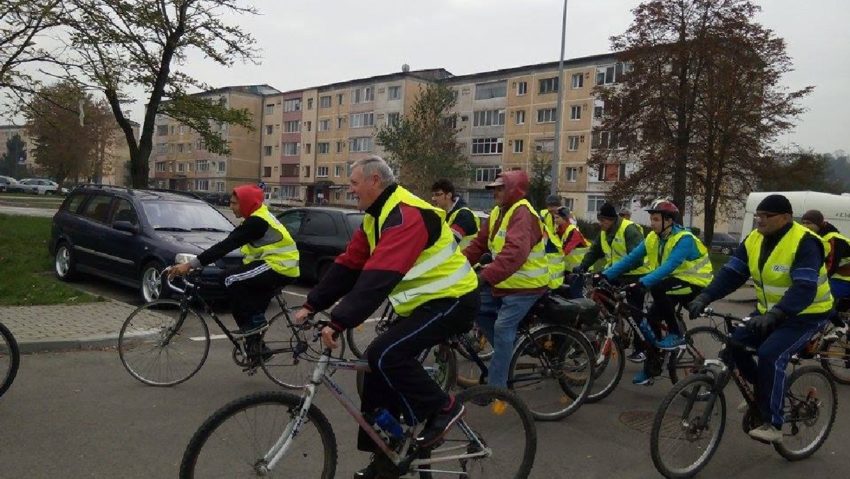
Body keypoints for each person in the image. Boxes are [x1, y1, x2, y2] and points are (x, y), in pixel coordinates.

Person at [292, 156, 479, 477]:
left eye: (353, 183)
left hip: (454, 299)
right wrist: (311, 303)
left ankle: (444, 408)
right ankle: (388, 452)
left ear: (374, 180)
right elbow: (350, 264)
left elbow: (378, 277)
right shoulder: (375, 217)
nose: (350, 190)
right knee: (372, 368)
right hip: (424, 304)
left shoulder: (407, 214)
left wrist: (339, 321)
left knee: (386, 354)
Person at [687, 194, 833, 443]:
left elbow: (805, 287)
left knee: (770, 354)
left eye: (767, 216)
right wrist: (706, 296)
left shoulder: (806, 242)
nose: (760, 221)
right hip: (772, 312)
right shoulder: (754, 239)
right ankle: (763, 394)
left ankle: (773, 424)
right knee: (734, 344)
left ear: (785, 218)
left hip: (807, 314)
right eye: (758, 216)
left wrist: (777, 314)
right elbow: (732, 273)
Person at [168, 184, 299, 361]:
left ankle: (255, 324)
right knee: (245, 303)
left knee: (229, 279)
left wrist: (190, 265)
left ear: (246, 203)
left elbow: (226, 246)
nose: (231, 207)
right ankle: (258, 352)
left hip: (280, 266)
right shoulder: (254, 218)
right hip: (272, 265)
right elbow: (236, 246)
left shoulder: (257, 222)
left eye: (234, 203)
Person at [601, 199, 713, 384]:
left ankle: (676, 334)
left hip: (694, 283)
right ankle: (651, 368)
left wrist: (642, 283)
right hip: (671, 283)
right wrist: (605, 275)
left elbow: (670, 266)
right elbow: (631, 258)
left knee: (658, 286)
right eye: (651, 219)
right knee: (650, 320)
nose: (651, 223)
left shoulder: (684, 238)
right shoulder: (653, 237)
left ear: (668, 220)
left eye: (655, 219)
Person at [463, 171, 554, 389]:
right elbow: (478, 245)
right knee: (474, 307)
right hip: (505, 283)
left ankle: (498, 389)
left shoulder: (522, 213)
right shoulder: (498, 212)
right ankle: (508, 354)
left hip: (526, 287)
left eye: (500, 188)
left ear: (515, 189)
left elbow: (514, 253)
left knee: (503, 328)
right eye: (494, 188)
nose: (495, 192)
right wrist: (456, 265)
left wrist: (484, 277)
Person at [576, 202, 650, 361]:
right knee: (601, 303)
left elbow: (637, 259)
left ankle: (642, 348)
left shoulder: (629, 230)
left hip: (635, 275)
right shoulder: (604, 232)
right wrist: (582, 267)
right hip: (614, 275)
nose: (600, 223)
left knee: (634, 313)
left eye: (603, 220)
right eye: (599, 220)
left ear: (611, 220)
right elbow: (594, 251)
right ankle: (603, 336)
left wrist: (612, 272)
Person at [801, 209, 850, 337]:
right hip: (838, 278)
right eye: (803, 223)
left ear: (820, 224)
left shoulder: (833, 238)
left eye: (809, 223)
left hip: (846, 280)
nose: (805, 226)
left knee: (819, 297)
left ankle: (840, 325)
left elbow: (830, 266)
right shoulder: (816, 237)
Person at [431, 179, 480, 248]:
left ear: (449, 195)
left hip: (465, 258)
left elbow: (450, 243)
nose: (433, 198)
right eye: (433, 195)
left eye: (437, 195)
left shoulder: (464, 215)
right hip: (456, 257)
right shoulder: (445, 213)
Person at [554, 207, 590, 298]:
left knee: (576, 295)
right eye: (554, 218)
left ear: (565, 218)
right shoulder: (559, 231)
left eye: (557, 218)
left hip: (579, 268)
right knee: (567, 295)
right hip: (569, 269)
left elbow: (564, 250)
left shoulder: (573, 231)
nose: (555, 220)